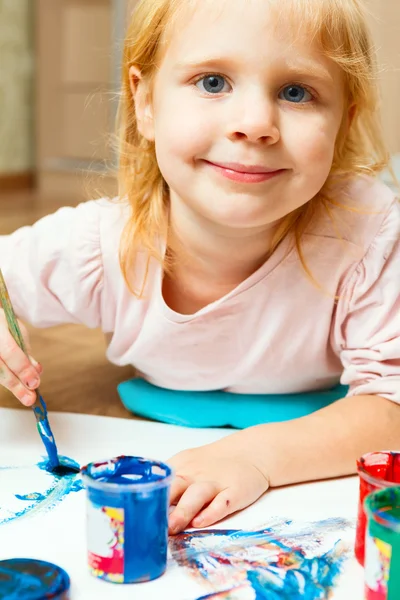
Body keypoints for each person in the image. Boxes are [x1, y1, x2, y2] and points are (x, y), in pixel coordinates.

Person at [0, 0, 399, 535]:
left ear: (343, 122)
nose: (255, 124)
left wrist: (256, 459)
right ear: (145, 101)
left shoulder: (371, 236)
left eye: (296, 92)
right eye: (212, 82)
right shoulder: (98, 243)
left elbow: (393, 409)